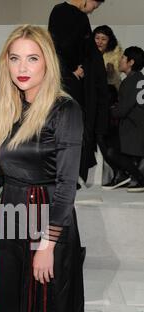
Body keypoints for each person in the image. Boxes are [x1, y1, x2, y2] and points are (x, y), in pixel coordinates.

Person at [0, 25, 84, 312]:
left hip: (46, 219)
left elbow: (66, 185)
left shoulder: (64, 109)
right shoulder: (8, 109)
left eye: (32, 58)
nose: (22, 67)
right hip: (12, 215)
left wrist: (47, 244)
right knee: (17, 311)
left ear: (47, 61)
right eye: (15, 58)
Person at [48, 0, 108, 182]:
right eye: (94, 7)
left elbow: (61, 47)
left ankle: (66, 173)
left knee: (67, 129)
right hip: (69, 83)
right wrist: (71, 72)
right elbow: (61, 48)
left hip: (66, 80)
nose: (92, 11)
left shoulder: (64, 13)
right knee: (71, 128)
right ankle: (67, 173)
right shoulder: (72, 16)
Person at [104, 47, 144, 192]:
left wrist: (108, 111)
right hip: (137, 128)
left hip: (133, 130)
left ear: (131, 62)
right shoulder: (140, 79)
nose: (120, 61)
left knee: (111, 152)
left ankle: (138, 178)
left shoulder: (129, 82)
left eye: (123, 58)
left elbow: (122, 110)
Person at [93, 25, 124, 188]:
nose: (99, 41)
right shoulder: (88, 53)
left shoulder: (116, 54)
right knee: (99, 137)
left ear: (109, 41)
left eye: (103, 39)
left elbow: (115, 78)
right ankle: (119, 171)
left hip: (110, 98)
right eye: (97, 37)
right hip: (94, 99)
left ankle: (121, 171)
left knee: (107, 138)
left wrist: (110, 72)